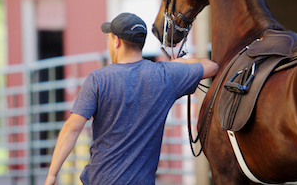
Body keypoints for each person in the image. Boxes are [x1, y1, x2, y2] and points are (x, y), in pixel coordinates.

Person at [44, 12, 218, 185]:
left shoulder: (98, 79)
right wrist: (176, 66)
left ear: (117, 41)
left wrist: (52, 174)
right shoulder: (165, 76)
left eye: (109, 39)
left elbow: (72, 128)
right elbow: (211, 66)